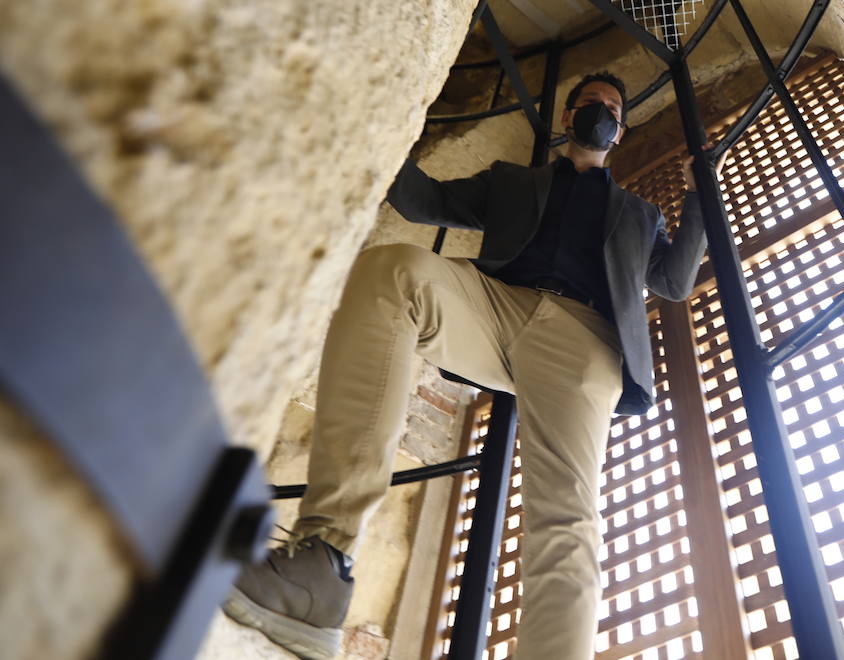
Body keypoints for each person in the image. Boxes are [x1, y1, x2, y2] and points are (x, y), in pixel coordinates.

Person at [223, 72, 709, 660]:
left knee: (565, 518)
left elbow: (675, 282)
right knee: (392, 273)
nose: (600, 112)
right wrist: (391, 116)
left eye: (611, 107)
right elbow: (421, 201)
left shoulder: (639, 215)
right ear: (568, 119)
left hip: (584, 343)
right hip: (496, 311)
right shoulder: (510, 183)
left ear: (620, 129)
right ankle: (322, 564)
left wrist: (701, 198)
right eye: (589, 104)